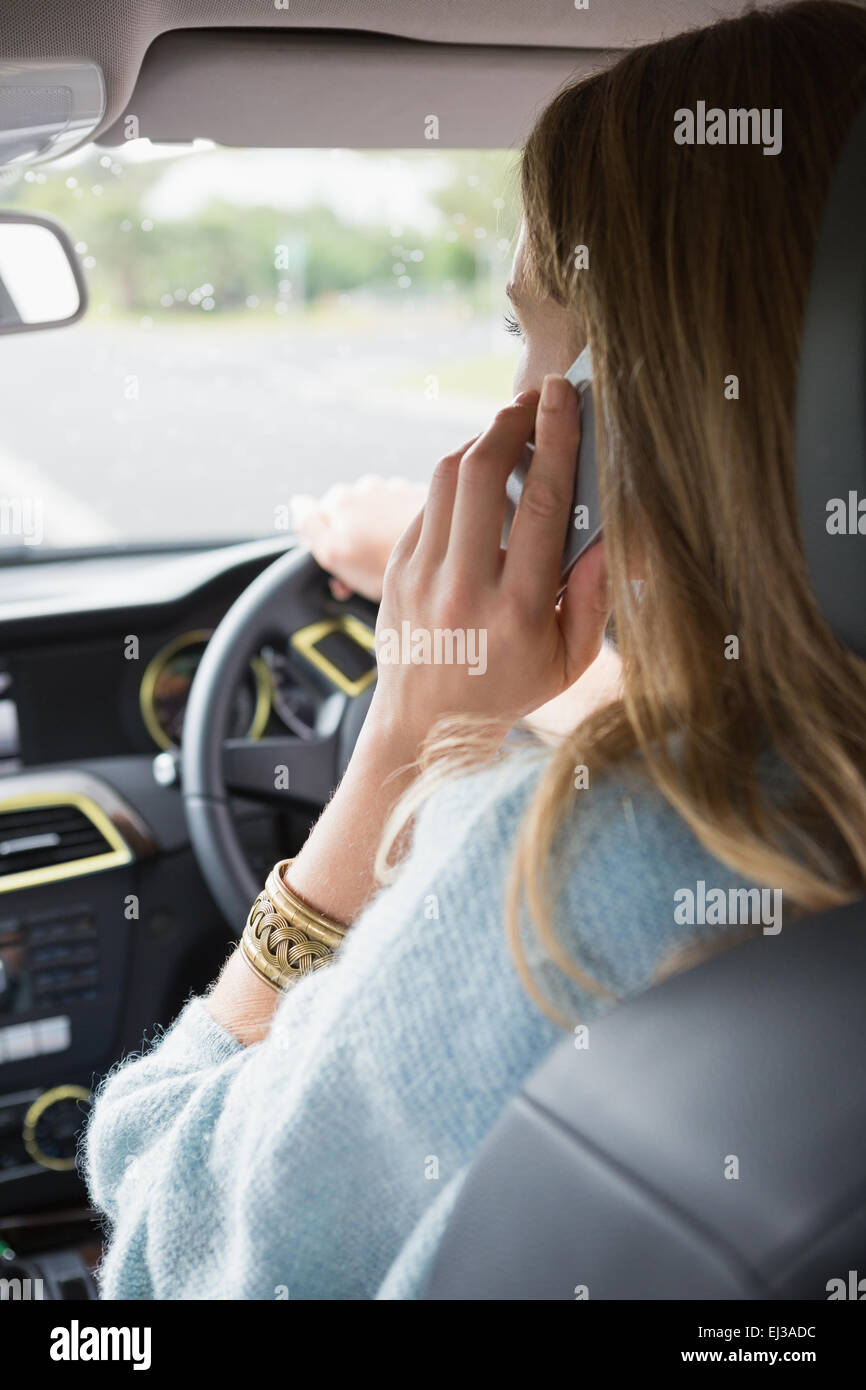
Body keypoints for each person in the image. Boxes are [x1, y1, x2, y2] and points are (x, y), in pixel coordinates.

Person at [83, 0, 866, 1300]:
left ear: (660, 406)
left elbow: (165, 1253)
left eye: (544, 340)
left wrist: (402, 748)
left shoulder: (609, 856)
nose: (505, 424)